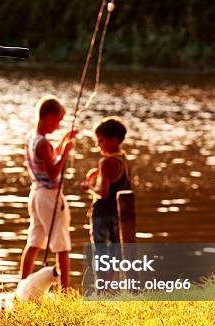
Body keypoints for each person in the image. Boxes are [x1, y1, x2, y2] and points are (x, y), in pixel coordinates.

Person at [20, 95, 76, 289]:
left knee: (34, 241)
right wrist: (66, 152)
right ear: (49, 117)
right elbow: (53, 173)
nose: (58, 125)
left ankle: (22, 285)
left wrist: (62, 143)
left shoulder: (32, 138)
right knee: (62, 245)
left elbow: (48, 159)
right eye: (58, 121)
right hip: (49, 197)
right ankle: (65, 291)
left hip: (36, 193)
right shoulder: (44, 144)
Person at [81, 116, 131, 246]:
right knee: (117, 255)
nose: (98, 145)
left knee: (101, 255)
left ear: (114, 140)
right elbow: (116, 177)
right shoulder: (123, 158)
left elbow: (103, 193)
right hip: (118, 215)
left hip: (102, 216)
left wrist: (89, 187)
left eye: (101, 141)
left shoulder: (105, 162)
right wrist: (97, 172)